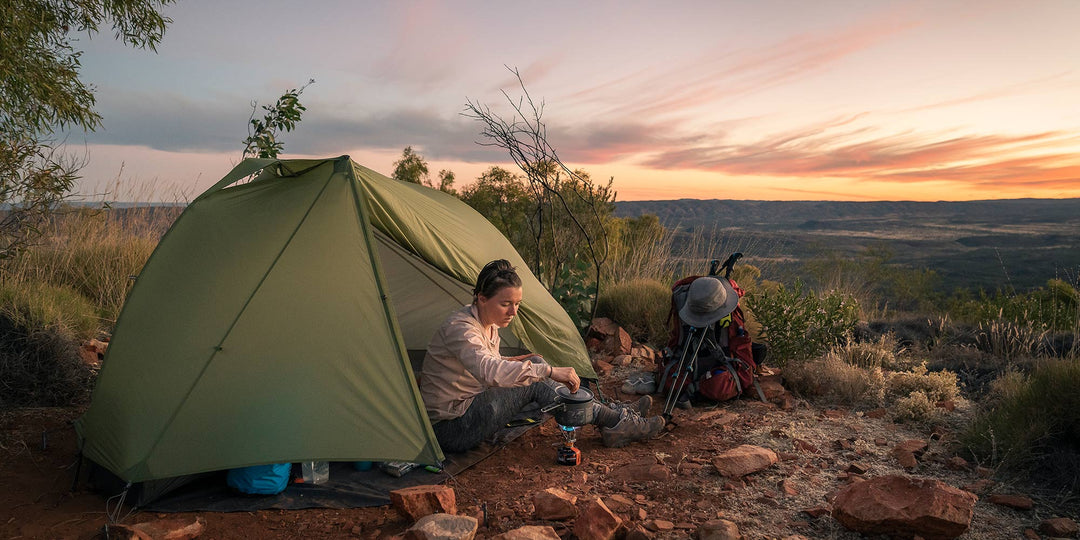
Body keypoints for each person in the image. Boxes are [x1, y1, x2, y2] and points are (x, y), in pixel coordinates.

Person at [420, 259, 664, 452]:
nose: (513, 312)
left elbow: (487, 363)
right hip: (451, 429)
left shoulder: (486, 321)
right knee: (536, 376)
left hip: (469, 408)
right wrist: (546, 370)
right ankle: (614, 422)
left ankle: (610, 413)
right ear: (482, 299)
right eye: (506, 303)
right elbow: (488, 371)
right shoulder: (461, 329)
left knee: (534, 363)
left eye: (517, 303)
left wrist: (525, 361)